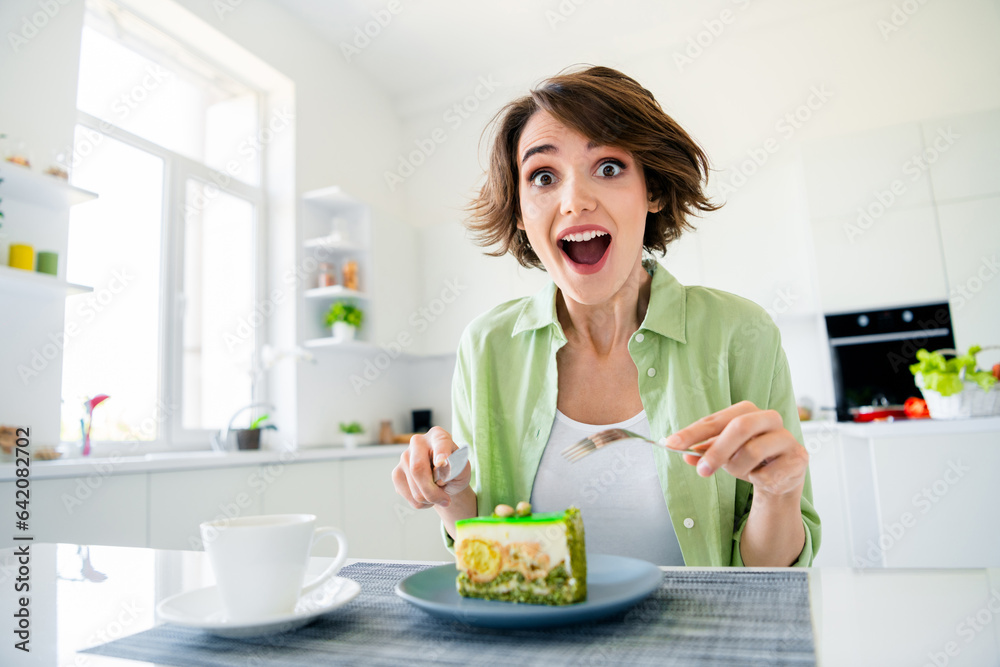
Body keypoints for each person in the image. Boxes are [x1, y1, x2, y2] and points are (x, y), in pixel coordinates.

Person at [391, 65, 820, 567]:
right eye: (543, 176)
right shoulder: (488, 344)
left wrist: (779, 492)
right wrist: (450, 495)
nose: (575, 201)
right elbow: (485, 548)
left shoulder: (740, 333)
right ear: (522, 213)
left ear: (652, 190)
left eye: (610, 167)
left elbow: (767, 577)